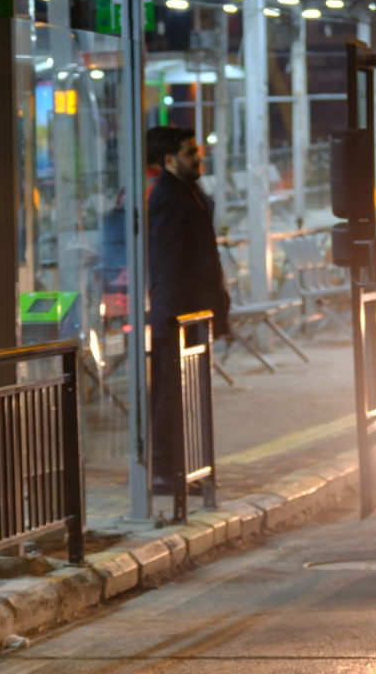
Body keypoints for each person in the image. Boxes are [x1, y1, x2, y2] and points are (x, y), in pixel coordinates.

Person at [146, 127, 231, 495]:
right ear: (169, 160)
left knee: (182, 393)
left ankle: (181, 469)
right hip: (177, 315)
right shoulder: (169, 197)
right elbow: (167, 262)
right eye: (188, 152)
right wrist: (176, 318)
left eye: (196, 151)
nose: (197, 157)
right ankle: (166, 472)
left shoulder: (188, 191)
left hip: (194, 312)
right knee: (170, 393)